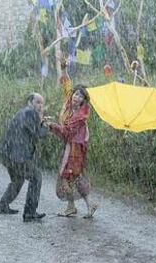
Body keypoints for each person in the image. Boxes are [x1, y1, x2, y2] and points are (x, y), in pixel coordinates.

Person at [46, 64, 98, 218]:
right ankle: (73, 206)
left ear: (83, 101)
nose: (76, 97)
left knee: (71, 175)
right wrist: (63, 69)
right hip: (70, 146)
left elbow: (67, 132)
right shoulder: (69, 107)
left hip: (75, 149)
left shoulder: (80, 116)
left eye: (80, 96)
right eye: (76, 94)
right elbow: (66, 85)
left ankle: (88, 204)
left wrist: (51, 126)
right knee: (71, 176)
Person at [0, 93, 49, 222]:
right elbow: (37, 134)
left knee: (17, 179)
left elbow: (28, 130)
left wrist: (40, 122)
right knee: (36, 178)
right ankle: (30, 213)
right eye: (38, 102)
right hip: (19, 155)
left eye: (42, 103)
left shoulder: (22, 112)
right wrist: (46, 126)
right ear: (30, 102)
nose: (40, 106)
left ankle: (2, 206)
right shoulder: (31, 113)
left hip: (7, 154)